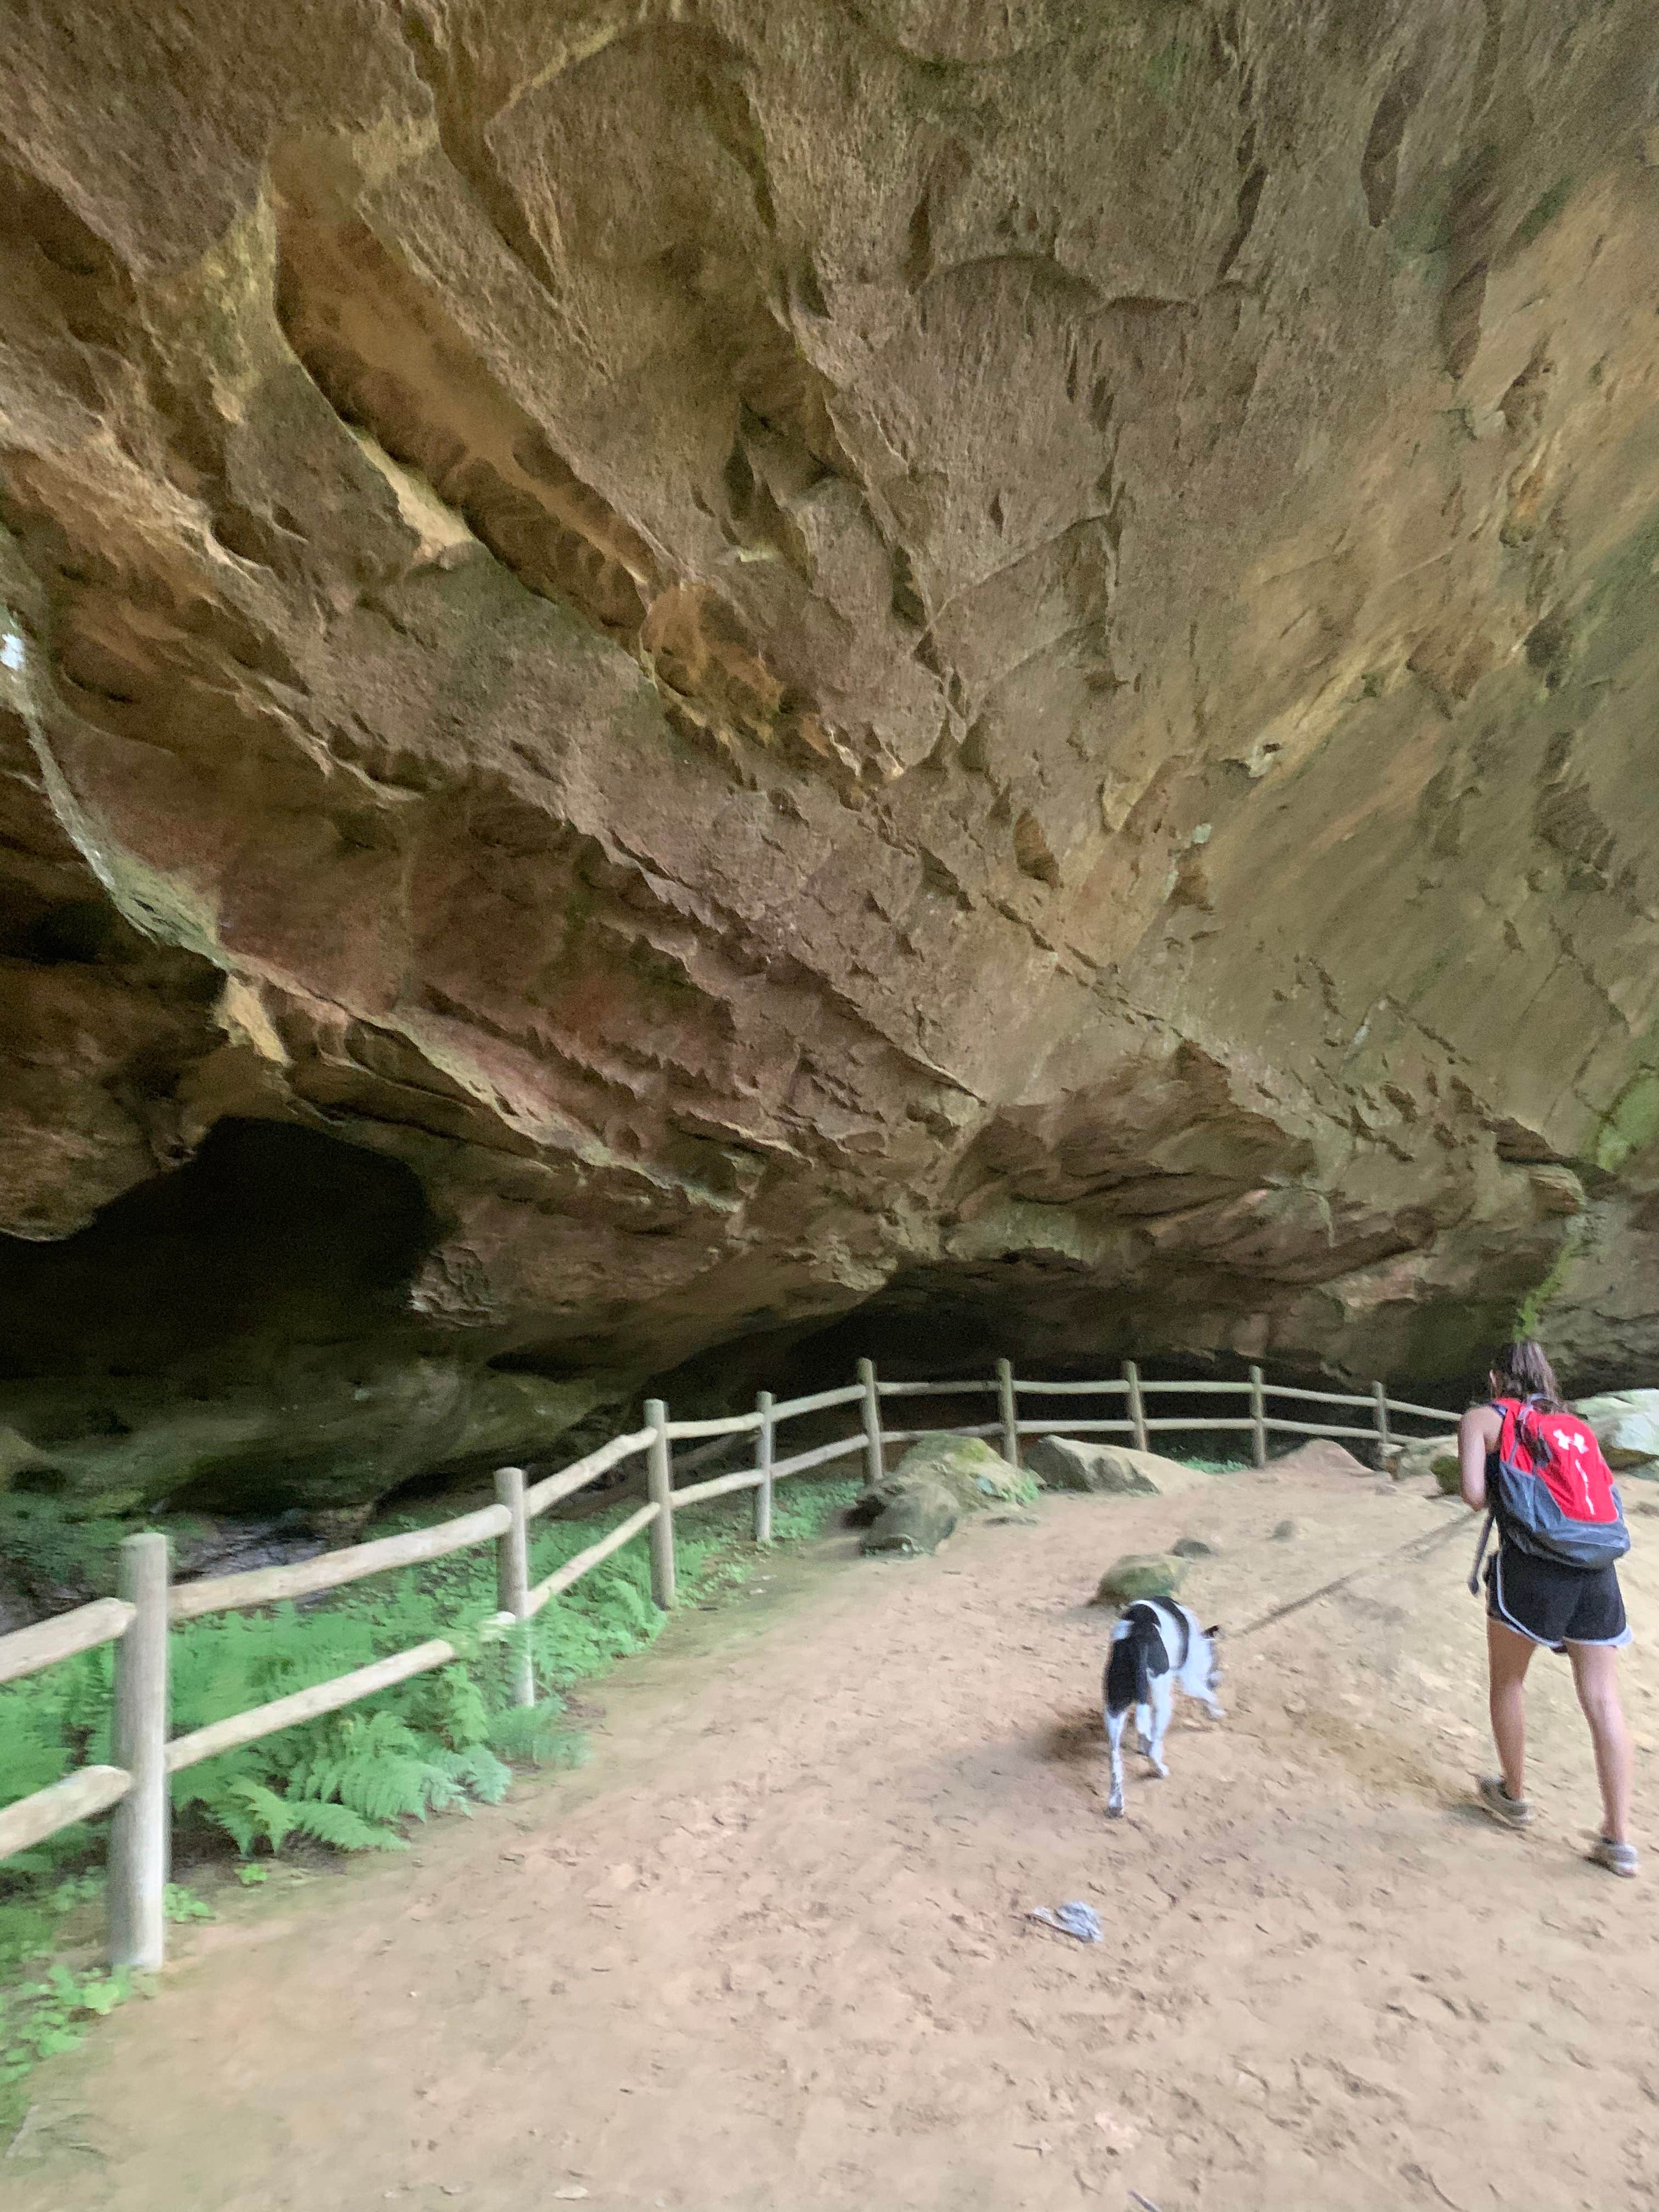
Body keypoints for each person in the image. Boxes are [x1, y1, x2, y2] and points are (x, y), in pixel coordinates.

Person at [1458, 1339, 1637, 1877]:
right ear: (1546, 1379)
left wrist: (1503, 1490)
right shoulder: (1576, 1428)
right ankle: (1619, 1838)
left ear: (1497, 1379)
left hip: (1534, 1567)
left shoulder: (1483, 1419)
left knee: (1509, 1681)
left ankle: (1513, 1796)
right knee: (1603, 1699)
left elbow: (1472, 1494)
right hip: (1596, 1569)